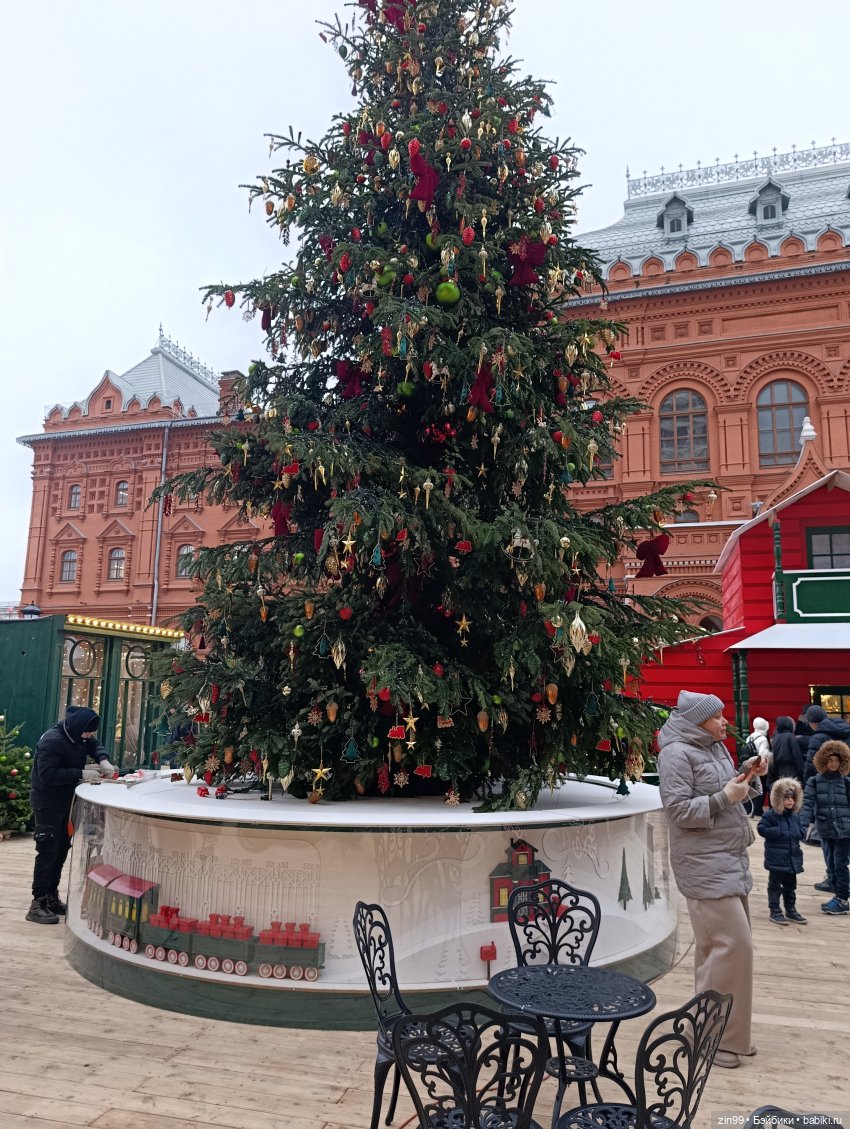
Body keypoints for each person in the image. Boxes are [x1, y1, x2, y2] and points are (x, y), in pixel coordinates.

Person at [657, 689, 768, 1070]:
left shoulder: (713, 748)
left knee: (717, 952)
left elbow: (727, 794)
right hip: (703, 866)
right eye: (718, 716)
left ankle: (712, 1035)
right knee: (735, 948)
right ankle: (712, 1038)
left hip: (729, 861)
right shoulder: (675, 753)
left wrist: (749, 779)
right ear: (698, 720)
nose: (725, 721)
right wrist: (724, 797)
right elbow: (677, 810)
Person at [27, 706, 117, 925]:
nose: (89, 736)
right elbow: (48, 774)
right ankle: (38, 902)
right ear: (78, 728)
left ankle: (51, 895)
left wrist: (103, 760)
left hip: (67, 802)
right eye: (86, 732)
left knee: (61, 848)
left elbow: (94, 744)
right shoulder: (52, 741)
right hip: (48, 802)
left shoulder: (79, 736)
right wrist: (81, 773)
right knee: (48, 850)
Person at [798, 739, 850, 916]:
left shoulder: (846, 782)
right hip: (826, 829)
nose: (834, 764)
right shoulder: (815, 781)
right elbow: (807, 804)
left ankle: (842, 898)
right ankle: (838, 895)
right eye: (830, 760)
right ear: (824, 761)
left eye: (837, 760)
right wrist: (801, 826)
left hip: (844, 830)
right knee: (831, 864)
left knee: (840, 863)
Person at [802, 705, 850, 890]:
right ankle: (841, 875)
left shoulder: (818, 737)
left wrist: (810, 785)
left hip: (825, 789)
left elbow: (810, 765)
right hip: (845, 785)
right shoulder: (846, 731)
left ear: (813, 722)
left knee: (828, 836)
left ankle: (833, 878)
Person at [757, 777, 806, 926]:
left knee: (791, 886)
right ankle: (775, 910)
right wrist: (777, 831)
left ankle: (790, 909)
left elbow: (801, 830)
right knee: (775, 885)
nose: (790, 801)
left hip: (792, 857)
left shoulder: (795, 816)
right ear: (778, 799)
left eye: (792, 798)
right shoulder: (771, 815)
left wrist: (800, 832)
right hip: (776, 858)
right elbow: (761, 828)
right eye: (786, 798)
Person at [744, 717, 771, 818]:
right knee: (761, 788)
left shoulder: (750, 737)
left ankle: (751, 810)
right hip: (760, 767)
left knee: (752, 788)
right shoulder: (763, 739)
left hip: (750, 765)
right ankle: (758, 810)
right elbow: (764, 754)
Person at [767, 716, 805, 787]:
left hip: (780, 770)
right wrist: (802, 773)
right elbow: (797, 756)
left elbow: (774, 756)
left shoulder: (776, 737)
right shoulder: (791, 736)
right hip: (792, 770)